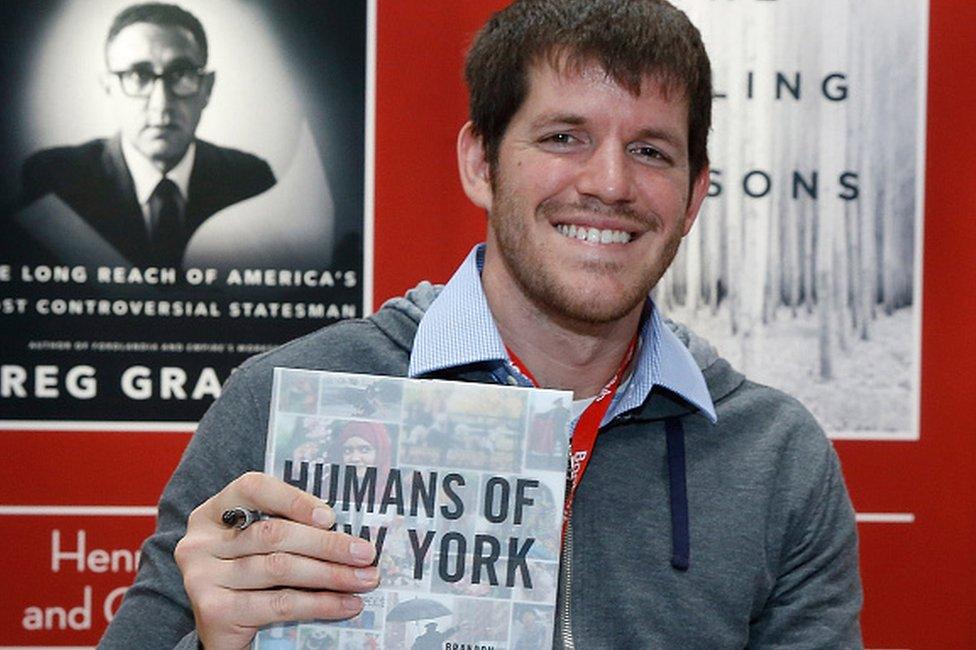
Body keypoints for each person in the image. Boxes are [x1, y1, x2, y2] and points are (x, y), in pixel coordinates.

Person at [99, 1, 863, 648]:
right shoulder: (281, 401)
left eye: (651, 150)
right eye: (564, 136)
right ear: (481, 162)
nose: (608, 183)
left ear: (695, 195)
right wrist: (212, 640)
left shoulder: (777, 457)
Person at [18, 2, 276, 268]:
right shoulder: (55, 183)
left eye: (181, 74)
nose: (161, 103)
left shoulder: (250, 182)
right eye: (138, 75)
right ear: (109, 88)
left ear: (207, 88)